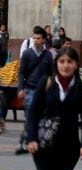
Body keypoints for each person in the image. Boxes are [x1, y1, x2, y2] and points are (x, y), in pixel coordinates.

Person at [16, 26, 54, 155]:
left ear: (44, 40)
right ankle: (27, 141)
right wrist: (20, 88)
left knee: (42, 117)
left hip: (43, 91)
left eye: (38, 38)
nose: (36, 40)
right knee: (30, 116)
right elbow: (21, 73)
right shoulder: (27, 54)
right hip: (30, 90)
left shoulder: (48, 55)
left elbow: (51, 75)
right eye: (34, 38)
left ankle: (34, 141)